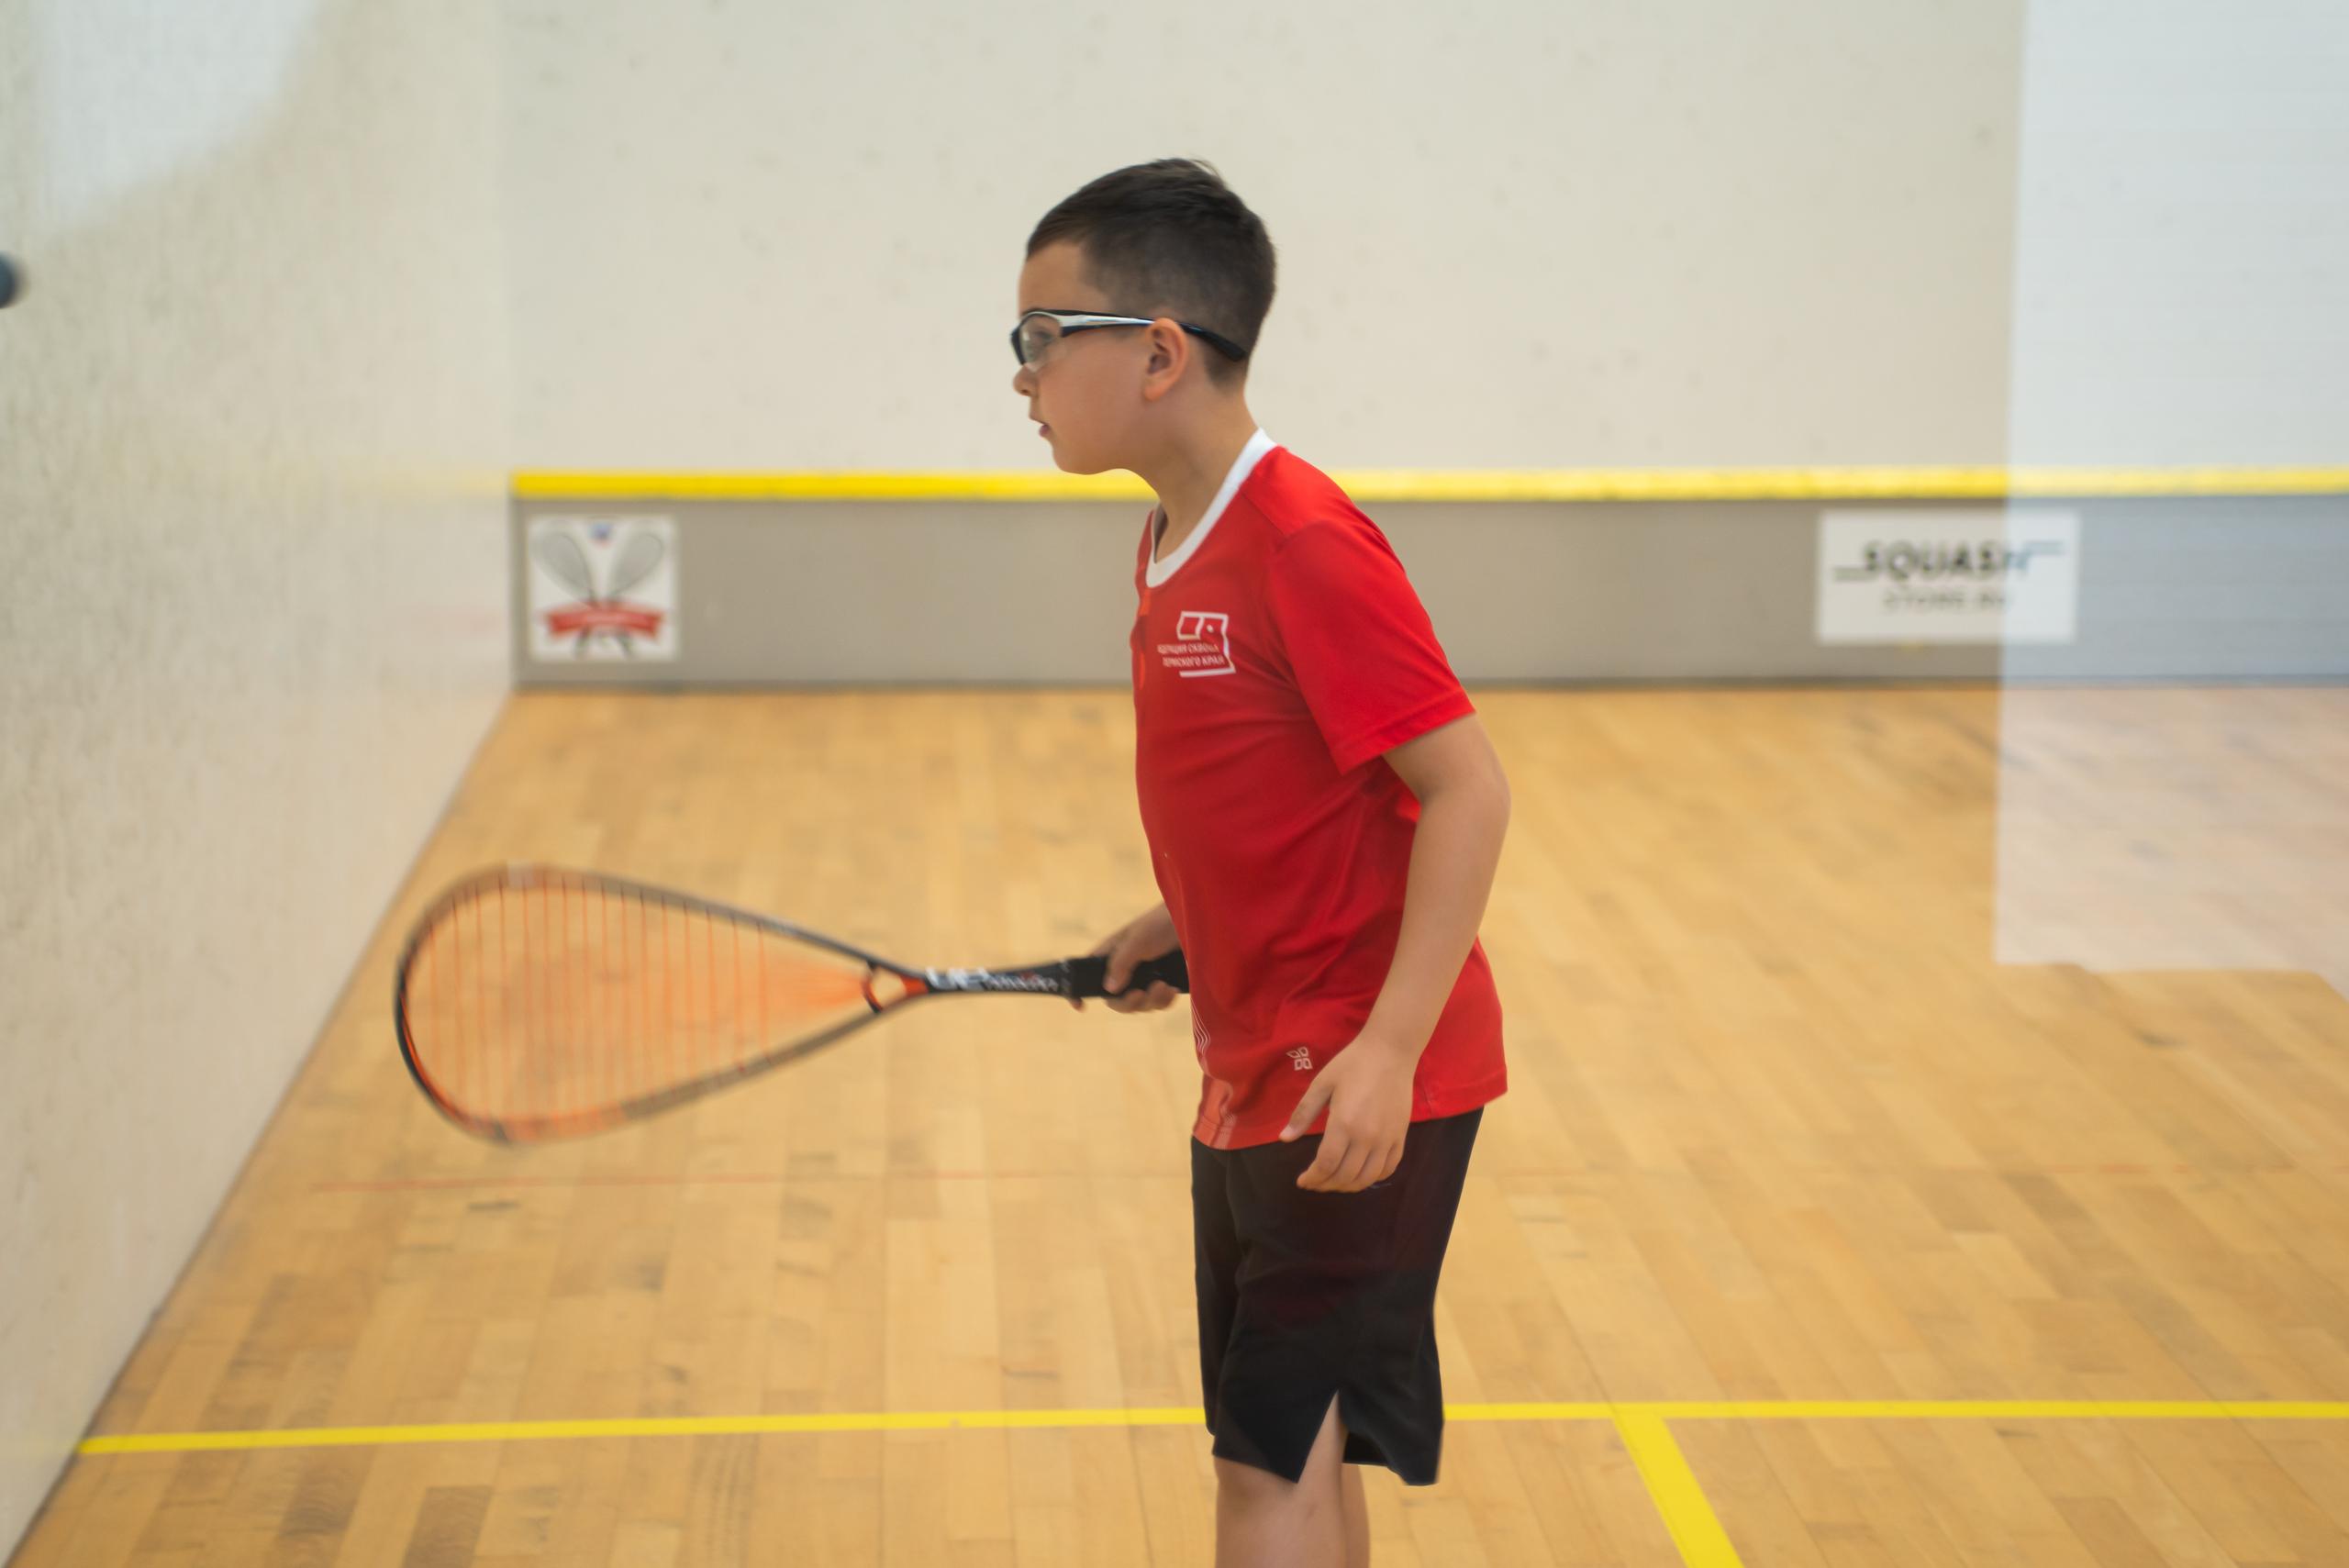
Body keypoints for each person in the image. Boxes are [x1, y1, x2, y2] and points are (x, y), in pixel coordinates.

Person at [1013, 158, 1511, 1568]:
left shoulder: (1301, 540)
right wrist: (1179, 919)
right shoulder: (1175, 535)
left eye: (1045, 335)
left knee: (1263, 1468)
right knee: (1298, 1448)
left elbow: (1468, 790)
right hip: (1254, 1065)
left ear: (1159, 352)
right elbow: (1288, 793)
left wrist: (1390, 1047)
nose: (1023, 374)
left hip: (1352, 1078)